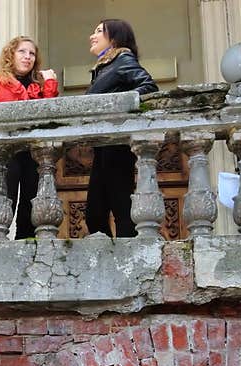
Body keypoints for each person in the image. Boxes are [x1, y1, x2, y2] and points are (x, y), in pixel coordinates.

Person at [0, 35, 58, 239]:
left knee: (32, 199)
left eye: (32, 53)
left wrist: (49, 83)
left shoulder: (38, 84)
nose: (27, 57)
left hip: (33, 151)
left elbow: (50, 116)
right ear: (10, 55)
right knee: (5, 196)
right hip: (5, 150)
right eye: (22, 51)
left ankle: (27, 244)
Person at [84, 19, 158, 238]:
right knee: (95, 214)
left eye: (99, 31)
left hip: (117, 146)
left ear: (114, 39)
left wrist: (119, 106)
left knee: (121, 208)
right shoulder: (103, 67)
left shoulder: (122, 59)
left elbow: (148, 86)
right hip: (103, 145)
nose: (92, 35)